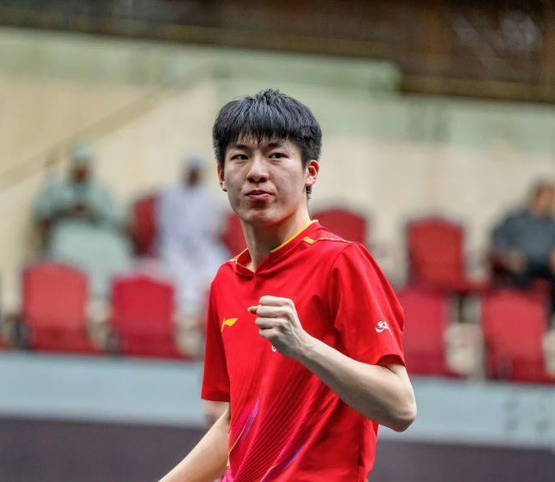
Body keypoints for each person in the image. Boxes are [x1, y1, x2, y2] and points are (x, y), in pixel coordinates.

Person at [161, 90, 416, 481]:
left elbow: (400, 407)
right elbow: (234, 425)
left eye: (276, 155)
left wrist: (303, 346)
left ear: (311, 172)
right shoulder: (226, 281)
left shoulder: (342, 263)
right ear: (221, 176)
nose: (256, 172)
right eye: (240, 157)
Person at [33, 142, 131, 298]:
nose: (82, 169)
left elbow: (117, 219)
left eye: (86, 164)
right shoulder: (56, 187)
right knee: (65, 246)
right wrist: (67, 211)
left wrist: (93, 212)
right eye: (79, 164)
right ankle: (69, 291)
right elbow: (43, 214)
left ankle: (105, 293)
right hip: (68, 231)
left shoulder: (102, 189)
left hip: (97, 231)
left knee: (114, 247)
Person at [157, 156, 229, 357]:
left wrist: (198, 245)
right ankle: (187, 320)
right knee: (181, 274)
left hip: (202, 247)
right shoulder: (171, 195)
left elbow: (214, 228)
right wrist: (185, 245)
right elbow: (166, 226)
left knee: (215, 267)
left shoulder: (208, 198)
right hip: (175, 246)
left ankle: (208, 317)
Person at [491, 180, 555, 315]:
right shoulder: (515, 219)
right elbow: (497, 237)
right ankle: (524, 316)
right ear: (535, 197)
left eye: (553, 200)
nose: (550, 204)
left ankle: (546, 317)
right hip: (522, 263)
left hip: (546, 265)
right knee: (520, 279)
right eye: (547, 199)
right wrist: (508, 255)